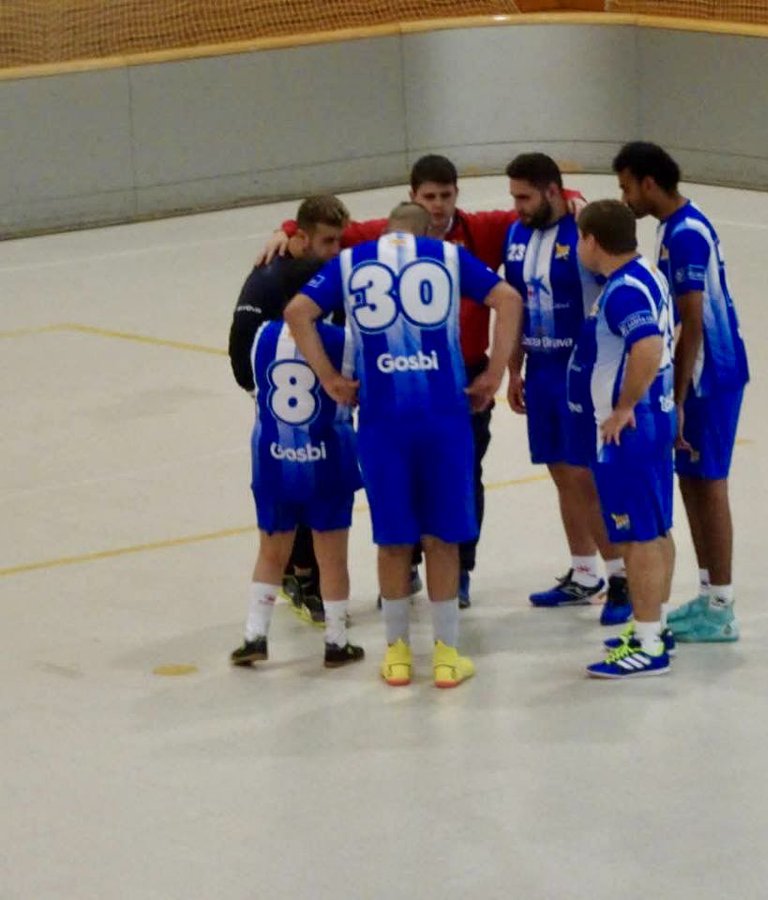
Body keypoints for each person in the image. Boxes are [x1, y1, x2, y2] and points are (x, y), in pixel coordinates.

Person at [259, 156, 584, 608]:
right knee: (400, 481)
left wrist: (570, 197)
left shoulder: (480, 231)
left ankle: (460, 573)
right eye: (428, 197)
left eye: (446, 195)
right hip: (395, 387)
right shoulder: (384, 236)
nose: (437, 205)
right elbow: (324, 228)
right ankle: (406, 567)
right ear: (413, 197)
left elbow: (536, 209)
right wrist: (285, 228)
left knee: (465, 476)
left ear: (457, 196)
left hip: (462, 380)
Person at [284, 202, 522, 688]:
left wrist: (330, 378)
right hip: (443, 417)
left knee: (393, 540)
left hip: (382, 420)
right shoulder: (447, 256)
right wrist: (495, 372)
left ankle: (396, 655)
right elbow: (508, 298)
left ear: (386, 230)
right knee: (442, 538)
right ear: (427, 229)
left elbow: (297, 312)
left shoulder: (352, 262)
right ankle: (446, 655)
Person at [612, 142, 750, 643]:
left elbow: (691, 323)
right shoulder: (672, 227)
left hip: (710, 377)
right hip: (700, 378)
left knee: (709, 484)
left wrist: (679, 397)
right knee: (692, 483)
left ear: (649, 183)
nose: (624, 197)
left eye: (627, 186)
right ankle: (710, 592)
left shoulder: (686, 235)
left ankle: (723, 605)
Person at [502, 152, 631, 625]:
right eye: (513, 196)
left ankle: (622, 577)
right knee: (560, 472)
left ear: (553, 191)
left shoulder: (582, 232)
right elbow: (515, 304)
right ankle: (584, 572)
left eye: (524, 196)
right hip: (540, 371)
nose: (516, 206)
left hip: (581, 371)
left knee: (584, 476)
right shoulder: (516, 234)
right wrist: (514, 370)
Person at [229, 195, 350, 627]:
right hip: (285, 406)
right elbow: (240, 346)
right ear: (300, 238)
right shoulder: (267, 278)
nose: (337, 250)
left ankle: (306, 575)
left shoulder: (328, 270)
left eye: (340, 241)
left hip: (325, 401)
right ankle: (301, 577)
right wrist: (262, 396)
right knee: (297, 483)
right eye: (328, 241)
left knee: (320, 485)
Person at [571, 200, 677, 679]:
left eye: (579, 238)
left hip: (631, 432)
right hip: (655, 421)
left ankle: (649, 644)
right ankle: (655, 623)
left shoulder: (621, 292)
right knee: (655, 530)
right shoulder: (648, 273)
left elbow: (649, 344)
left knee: (636, 538)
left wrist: (624, 406)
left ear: (592, 240)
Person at [228, 314, 364, 669]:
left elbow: (254, 385)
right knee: (331, 556)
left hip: (273, 457)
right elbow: (359, 392)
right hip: (326, 456)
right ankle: (336, 640)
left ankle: (254, 635)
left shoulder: (265, 335)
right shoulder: (343, 340)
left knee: (271, 552)